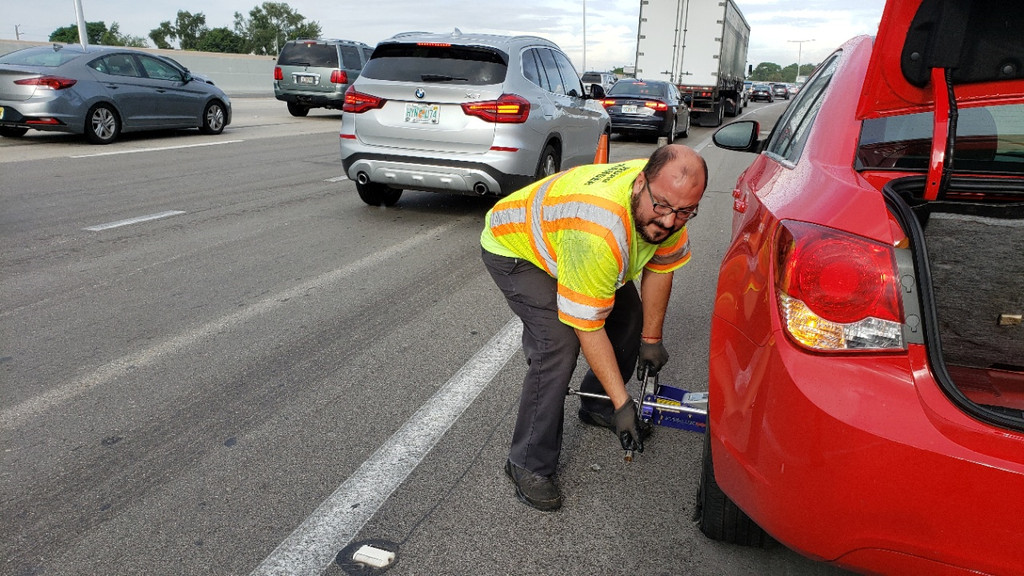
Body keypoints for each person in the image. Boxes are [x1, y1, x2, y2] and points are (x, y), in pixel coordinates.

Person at [480, 144, 708, 511]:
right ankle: (527, 462)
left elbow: (661, 268)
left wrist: (651, 340)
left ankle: (594, 403)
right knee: (557, 344)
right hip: (517, 248)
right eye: (662, 207)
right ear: (639, 184)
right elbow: (588, 327)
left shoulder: (670, 199)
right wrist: (623, 402)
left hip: (567, 238)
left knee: (630, 318)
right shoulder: (600, 230)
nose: (668, 222)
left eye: (683, 212)